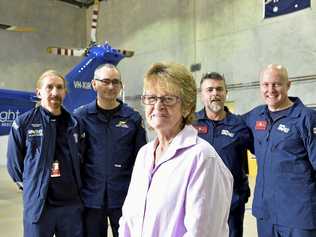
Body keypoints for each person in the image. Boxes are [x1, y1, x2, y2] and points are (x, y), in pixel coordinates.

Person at [119, 62, 233, 237]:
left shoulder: (202, 158)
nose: (157, 105)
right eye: (151, 98)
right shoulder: (144, 154)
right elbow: (128, 219)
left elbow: (202, 233)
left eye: (168, 99)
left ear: (187, 106)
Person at [7, 70, 84, 237]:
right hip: (39, 207)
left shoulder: (74, 123)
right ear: (39, 92)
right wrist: (34, 186)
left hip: (70, 206)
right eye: (49, 87)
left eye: (59, 87)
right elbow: (15, 166)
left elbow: (82, 159)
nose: (55, 92)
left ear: (65, 92)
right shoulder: (23, 124)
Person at [74, 63, 147, 237]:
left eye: (115, 82)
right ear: (94, 84)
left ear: (121, 86)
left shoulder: (133, 118)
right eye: (105, 81)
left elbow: (142, 160)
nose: (111, 86)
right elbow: (73, 158)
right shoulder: (80, 117)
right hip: (90, 197)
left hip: (124, 198)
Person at [243, 64, 316, 237]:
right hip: (266, 213)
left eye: (276, 84)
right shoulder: (254, 116)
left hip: (299, 216)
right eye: (265, 85)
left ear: (288, 85)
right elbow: (229, 129)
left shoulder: (307, 118)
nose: (271, 90)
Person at [194, 72, 252, 237]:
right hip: (198, 202)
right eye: (209, 89)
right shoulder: (190, 124)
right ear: (201, 94)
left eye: (219, 89)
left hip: (231, 205)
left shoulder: (240, 126)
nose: (215, 94)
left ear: (226, 93)